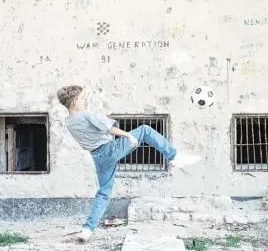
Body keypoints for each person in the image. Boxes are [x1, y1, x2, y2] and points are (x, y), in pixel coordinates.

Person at [56, 85, 201, 243]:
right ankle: (174, 156)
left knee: (104, 193)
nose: (84, 101)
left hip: (98, 156)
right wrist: (128, 136)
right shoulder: (85, 114)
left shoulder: (69, 123)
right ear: (75, 102)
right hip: (110, 149)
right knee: (145, 130)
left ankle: (87, 229)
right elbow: (108, 128)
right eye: (82, 99)